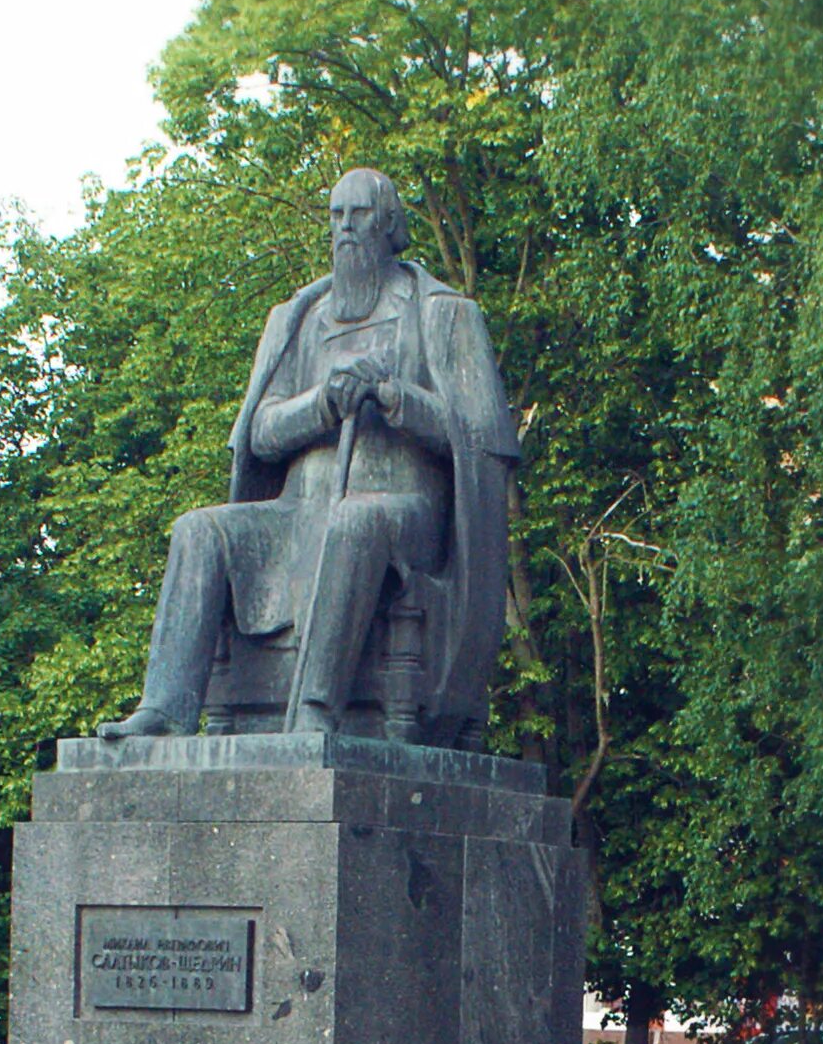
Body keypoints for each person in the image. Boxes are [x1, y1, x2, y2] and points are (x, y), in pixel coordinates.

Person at [101, 167, 517, 745]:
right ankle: (166, 710)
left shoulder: (443, 314)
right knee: (198, 530)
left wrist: (395, 397)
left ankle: (314, 714)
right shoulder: (296, 320)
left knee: (355, 520)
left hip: (406, 514)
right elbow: (260, 433)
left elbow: (480, 438)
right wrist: (321, 404)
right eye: (336, 216)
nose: (346, 229)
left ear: (391, 225)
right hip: (297, 512)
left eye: (361, 215)